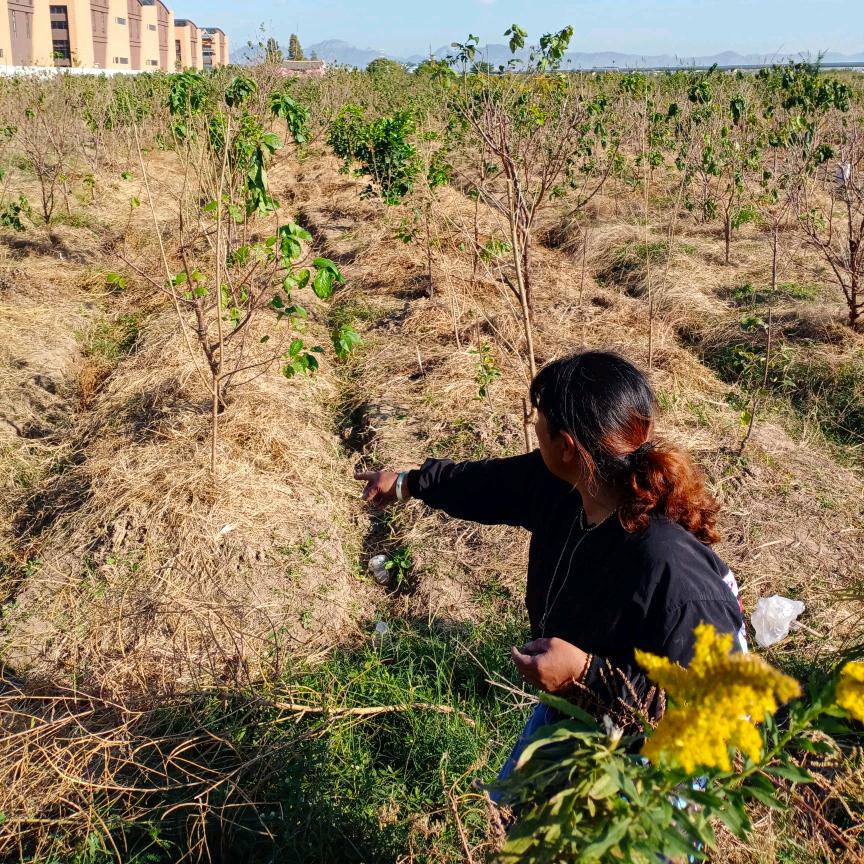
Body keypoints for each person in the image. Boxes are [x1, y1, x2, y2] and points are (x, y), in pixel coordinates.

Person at [354, 350, 745, 790]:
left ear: (566, 447)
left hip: (652, 768)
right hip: (575, 704)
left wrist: (587, 673)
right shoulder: (567, 487)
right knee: (513, 828)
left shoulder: (668, 564)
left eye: (537, 418)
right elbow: (487, 484)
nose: (531, 425)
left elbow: (719, 705)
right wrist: (407, 482)